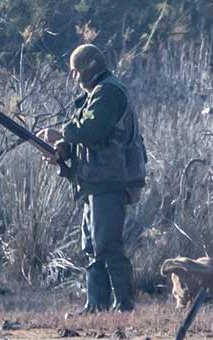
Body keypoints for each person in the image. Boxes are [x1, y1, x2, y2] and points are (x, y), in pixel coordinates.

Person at [39, 44, 146, 314]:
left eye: (75, 71)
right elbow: (89, 137)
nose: (73, 77)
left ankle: (124, 306)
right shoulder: (96, 94)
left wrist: (61, 133)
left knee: (107, 245)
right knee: (92, 246)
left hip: (110, 180)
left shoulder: (108, 92)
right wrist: (62, 149)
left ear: (89, 68)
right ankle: (96, 305)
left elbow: (92, 130)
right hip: (95, 180)